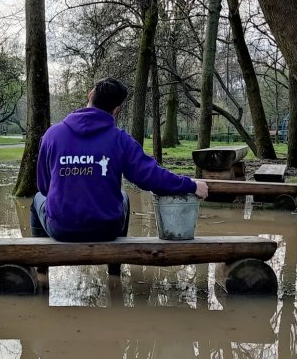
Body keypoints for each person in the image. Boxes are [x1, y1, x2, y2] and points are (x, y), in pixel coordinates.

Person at [32, 78, 208, 242]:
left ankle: (40, 267)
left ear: (90, 95)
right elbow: (151, 176)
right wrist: (191, 185)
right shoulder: (120, 139)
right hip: (107, 229)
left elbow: (44, 187)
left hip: (61, 229)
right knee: (124, 196)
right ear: (117, 109)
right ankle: (115, 269)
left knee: (37, 198)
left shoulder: (52, 135)